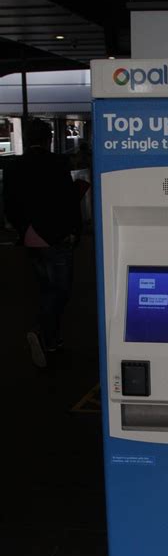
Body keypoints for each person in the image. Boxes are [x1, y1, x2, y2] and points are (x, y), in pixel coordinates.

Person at [3, 118, 82, 368]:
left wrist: (23, 229)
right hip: (56, 236)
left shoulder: (15, 165)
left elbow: (10, 203)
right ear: (48, 139)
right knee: (61, 291)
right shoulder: (57, 163)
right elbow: (68, 200)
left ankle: (52, 340)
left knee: (46, 289)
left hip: (30, 238)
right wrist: (74, 231)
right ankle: (41, 331)